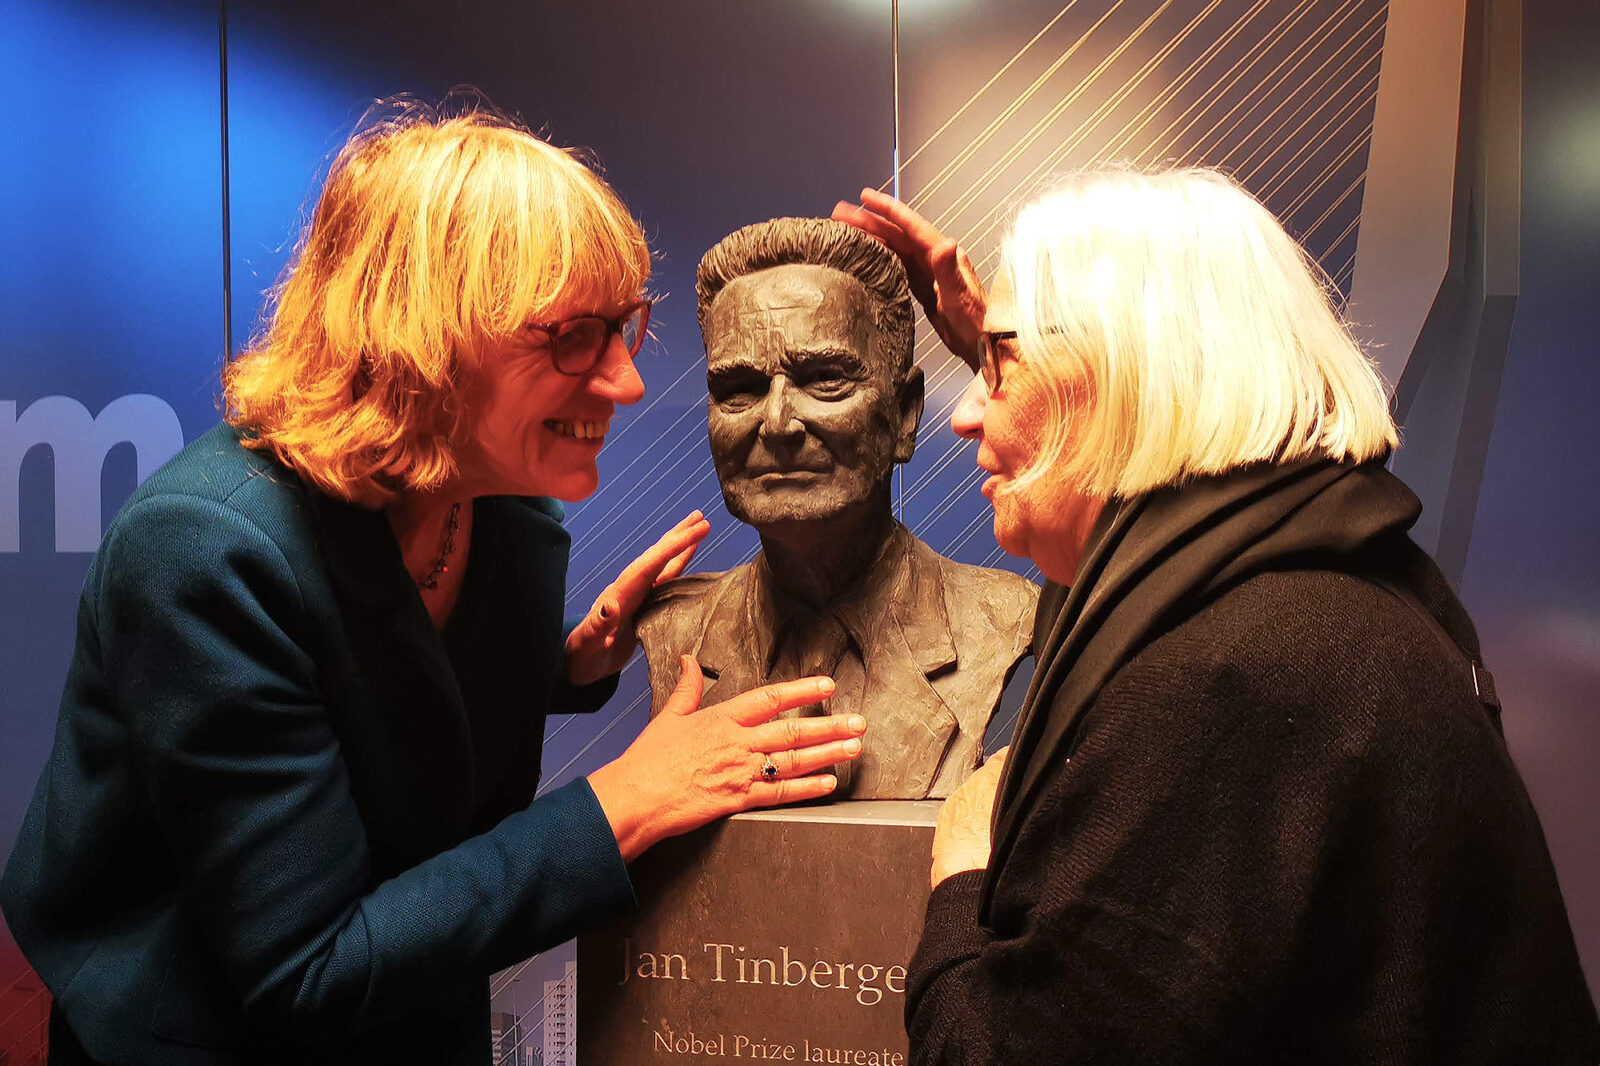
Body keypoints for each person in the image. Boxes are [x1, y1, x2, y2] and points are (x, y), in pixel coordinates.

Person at [0, 105, 866, 1066]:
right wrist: (627, 799)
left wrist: (568, 667)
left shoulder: (499, 505)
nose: (625, 382)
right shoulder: (206, 552)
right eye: (575, 337)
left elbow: (383, 706)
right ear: (423, 338)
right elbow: (308, 971)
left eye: (625, 328)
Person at [834, 168, 1600, 1064]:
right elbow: (1107, 555)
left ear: (1129, 376)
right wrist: (1006, 358)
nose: (966, 413)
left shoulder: (1222, 683)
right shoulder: (1318, 587)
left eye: (1002, 364)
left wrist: (965, 878)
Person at [637, 217, 1036, 799]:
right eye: (740, 389)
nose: (777, 423)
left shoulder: (1010, 619)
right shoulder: (672, 628)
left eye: (824, 380)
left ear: (904, 415)